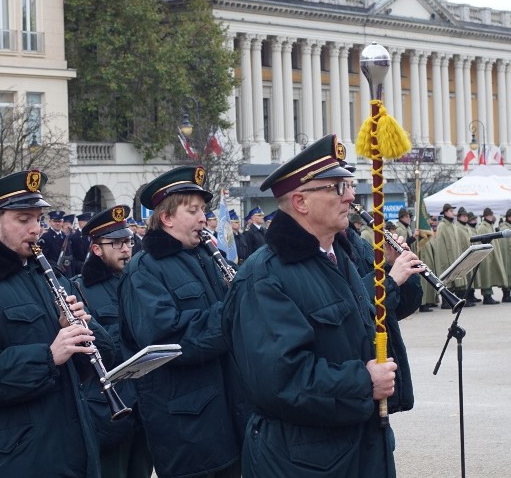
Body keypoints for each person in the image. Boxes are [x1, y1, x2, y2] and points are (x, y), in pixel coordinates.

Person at [222, 134, 422, 477]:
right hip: (304, 460)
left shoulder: (341, 255)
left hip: (358, 444)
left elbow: (373, 321)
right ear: (300, 201)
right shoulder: (265, 277)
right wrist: (363, 381)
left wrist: (394, 271)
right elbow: (278, 381)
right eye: (336, 187)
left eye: (347, 184)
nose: (349, 196)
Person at [0, 170, 114, 477]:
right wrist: (48, 357)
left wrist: (85, 331)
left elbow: (98, 362)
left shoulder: (50, 276)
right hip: (16, 458)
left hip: (68, 445)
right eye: (23, 219)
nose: (36, 229)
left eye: (38, 219)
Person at [119, 165, 247, 478]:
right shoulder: (143, 270)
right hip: (188, 430)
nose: (204, 218)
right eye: (193, 210)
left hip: (229, 415)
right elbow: (166, 340)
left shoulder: (204, 257)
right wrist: (232, 308)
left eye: (203, 209)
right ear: (167, 217)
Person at [74, 206, 152, 478]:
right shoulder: (80, 289)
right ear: (97, 249)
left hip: (144, 401)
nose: (126, 249)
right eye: (116, 243)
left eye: (128, 241)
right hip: (108, 406)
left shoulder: (139, 281)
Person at [475, 208, 509, 305]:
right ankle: (487, 296)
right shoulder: (483, 227)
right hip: (485, 255)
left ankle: (489, 295)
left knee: (489, 276)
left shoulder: (490, 226)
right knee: (486, 276)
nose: (491, 216)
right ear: (485, 216)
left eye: (491, 215)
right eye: (489, 215)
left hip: (491, 254)